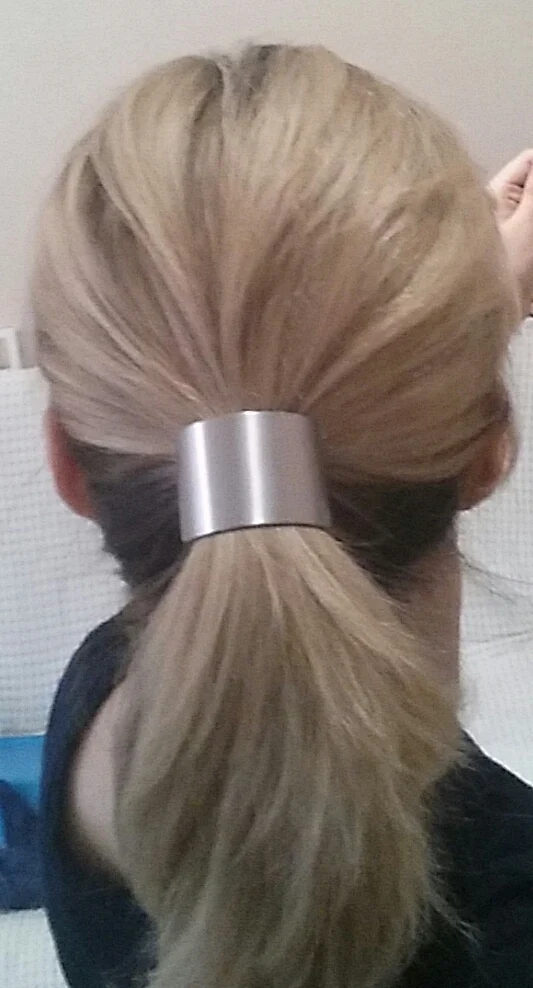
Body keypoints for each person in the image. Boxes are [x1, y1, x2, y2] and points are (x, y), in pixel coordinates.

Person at [31, 44, 533, 988]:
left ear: (65, 464)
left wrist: (466, 323)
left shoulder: (108, 690)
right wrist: (449, 342)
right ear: (491, 451)